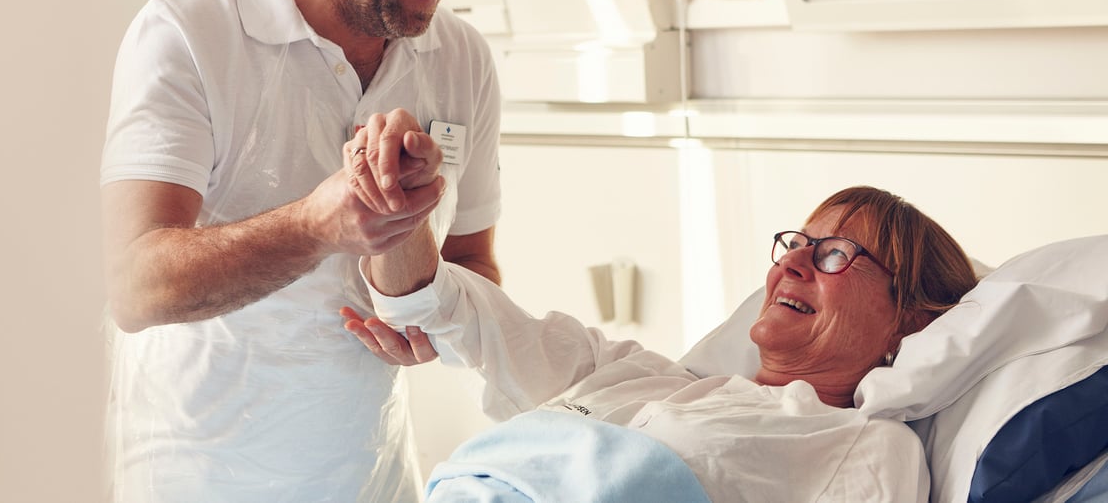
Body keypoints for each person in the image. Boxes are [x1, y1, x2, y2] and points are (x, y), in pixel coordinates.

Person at [99, 0, 506, 500]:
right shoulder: (188, 31)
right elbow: (134, 286)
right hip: (196, 480)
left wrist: (437, 325)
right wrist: (317, 225)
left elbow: (474, 263)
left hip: (374, 479)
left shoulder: (461, 60)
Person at [343, 182, 979, 501]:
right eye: (796, 244)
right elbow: (446, 307)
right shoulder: (639, 376)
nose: (794, 264)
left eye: (837, 254)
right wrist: (394, 197)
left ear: (911, 321)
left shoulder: (863, 444)